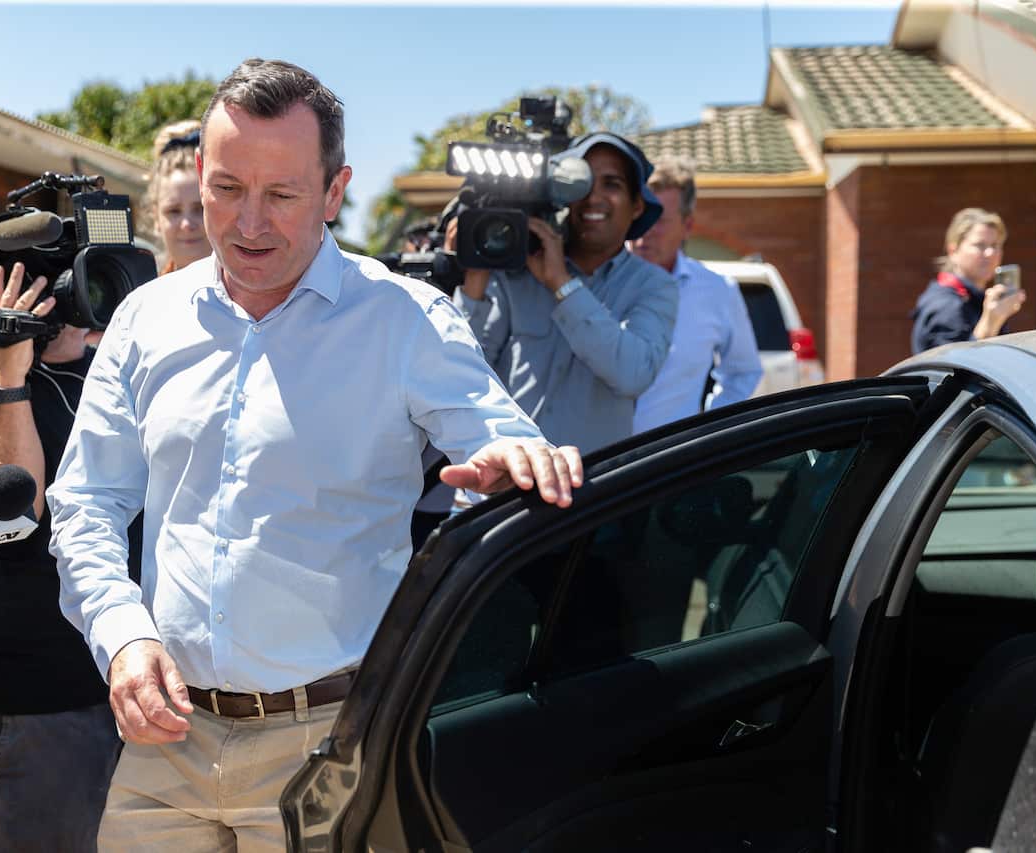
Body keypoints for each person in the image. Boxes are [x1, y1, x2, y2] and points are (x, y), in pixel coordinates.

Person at [47, 58, 582, 851]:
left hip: (333, 748)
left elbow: (501, 439)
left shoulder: (405, 319)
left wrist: (514, 466)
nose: (249, 222)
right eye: (227, 188)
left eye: (282, 194)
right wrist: (122, 634)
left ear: (335, 191)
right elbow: (86, 502)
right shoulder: (143, 319)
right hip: (164, 748)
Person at [0, 262, 139, 851]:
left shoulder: (115, 374)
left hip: (130, 689)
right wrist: (8, 375)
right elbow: (3, 524)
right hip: (34, 709)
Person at [452, 132, 679, 454]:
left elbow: (633, 373)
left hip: (593, 482)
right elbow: (462, 373)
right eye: (581, 183)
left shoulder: (654, 285)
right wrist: (475, 275)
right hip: (504, 476)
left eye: (611, 184)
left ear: (637, 206)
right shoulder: (517, 270)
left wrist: (561, 284)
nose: (593, 197)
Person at [630, 155, 762, 432]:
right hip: (589, 455)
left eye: (659, 220)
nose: (646, 230)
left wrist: (708, 432)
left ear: (687, 226)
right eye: (640, 215)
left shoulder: (717, 291)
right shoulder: (591, 280)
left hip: (673, 456)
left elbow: (743, 371)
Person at [911, 207, 1026, 354]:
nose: (990, 253)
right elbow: (950, 365)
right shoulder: (946, 305)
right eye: (980, 245)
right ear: (953, 251)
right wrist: (990, 323)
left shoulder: (975, 298)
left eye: (995, 245)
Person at [144, 120, 211, 275]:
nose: (187, 224)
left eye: (200, 209)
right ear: (156, 217)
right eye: (174, 211)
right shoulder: (140, 288)